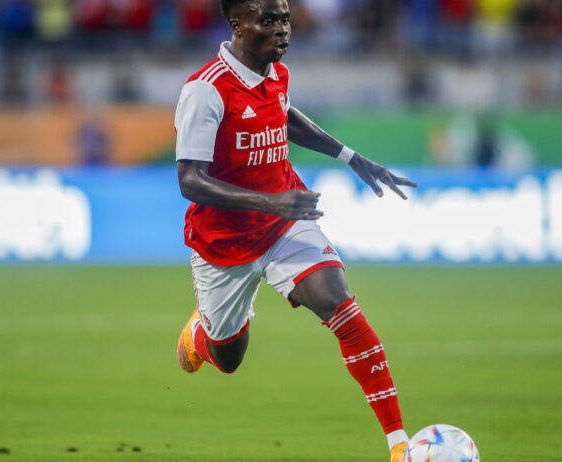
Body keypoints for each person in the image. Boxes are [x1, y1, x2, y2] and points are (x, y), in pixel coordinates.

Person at [173, 1, 417, 461]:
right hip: (224, 244)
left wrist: (352, 157)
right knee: (228, 359)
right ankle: (203, 335)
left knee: (336, 297)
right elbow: (190, 180)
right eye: (269, 20)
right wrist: (267, 201)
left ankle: (399, 444)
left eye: (285, 19)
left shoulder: (276, 74)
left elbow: (282, 116)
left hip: (285, 223)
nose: (283, 30)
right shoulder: (205, 91)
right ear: (237, 25)